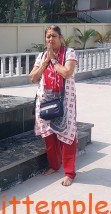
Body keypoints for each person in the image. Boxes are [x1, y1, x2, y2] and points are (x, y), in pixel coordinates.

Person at [29, 25, 78, 186]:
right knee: (49, 136)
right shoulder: (42, 56)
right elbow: (33, 78)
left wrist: (54, 60)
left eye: (54, 36)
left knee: (67, 136)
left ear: (60, 37)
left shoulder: (69, 53)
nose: (51, 39)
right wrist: (46, 62)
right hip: (45, 101)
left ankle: (69, 173)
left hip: (64, 101)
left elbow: (67, 73)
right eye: (48, 36)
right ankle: (55, 166)